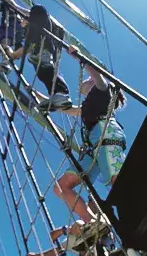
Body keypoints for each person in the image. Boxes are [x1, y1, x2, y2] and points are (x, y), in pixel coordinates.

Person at [54, 45, 126, 222]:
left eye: (87, 79)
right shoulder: (88, 106)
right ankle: (92, 223)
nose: (83, 83)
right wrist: (37, 97)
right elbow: (69, 111)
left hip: (105, 133)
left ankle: (133, 220)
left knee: (117, 184)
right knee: (62, 187)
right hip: (92, 145)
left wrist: (79, 57)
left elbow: (99, 77)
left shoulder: (103, 91)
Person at [5, 4, 72, 112]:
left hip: (45, 46)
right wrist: (9, 52)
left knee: (46, 67)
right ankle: (57, 97)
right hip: (40, 54)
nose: (22, 22)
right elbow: (20, 52)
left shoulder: (36, 23)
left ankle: (61, 94)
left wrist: (15, 8)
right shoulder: (30, 37)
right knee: (43, 73)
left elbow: (38, 13)